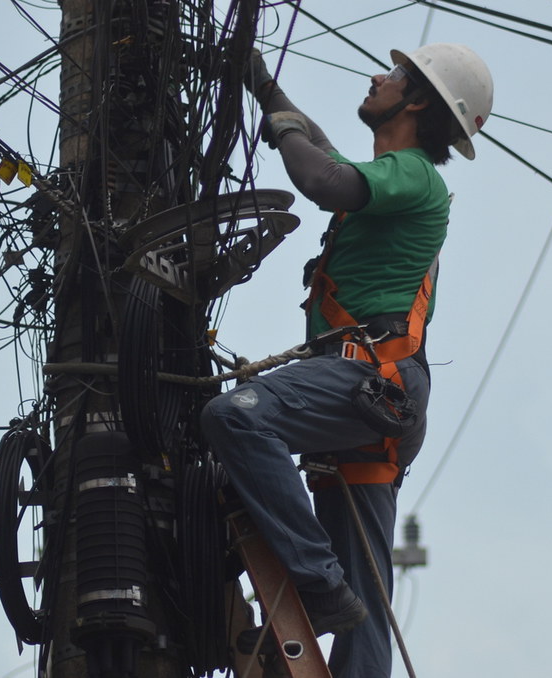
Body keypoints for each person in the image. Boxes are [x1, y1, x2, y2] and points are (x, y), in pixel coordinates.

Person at [200, 43, 493, 677]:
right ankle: (328, 597)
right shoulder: (390, 179)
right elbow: (327, 153)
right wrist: (263, 88)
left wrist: (278, 123)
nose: (375, 77)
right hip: (377, 395)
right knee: (367, 598)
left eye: (391, 76)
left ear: (416, 100)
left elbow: (320, 178)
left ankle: (314, 583)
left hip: (370, 378)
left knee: (238, 417)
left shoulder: (414, 174)